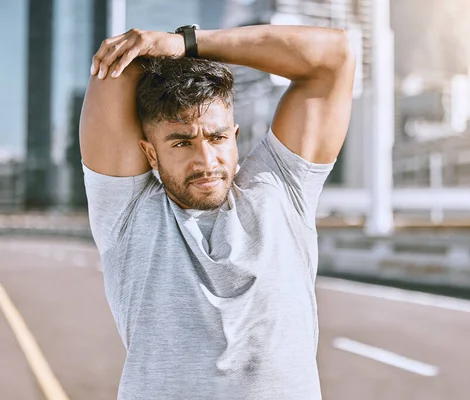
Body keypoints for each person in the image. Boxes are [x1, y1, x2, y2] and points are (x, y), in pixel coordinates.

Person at [80, 24, 354, 400]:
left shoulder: (283, 188)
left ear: (234, 135)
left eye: (216, 137)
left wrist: (188, 43)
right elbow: (119, 67)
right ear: (150, 153)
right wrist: (167, 54)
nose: (206, 160)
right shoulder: (129, 209)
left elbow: (334, 56)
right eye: (182, 142)